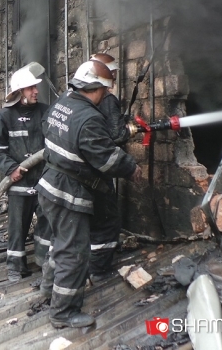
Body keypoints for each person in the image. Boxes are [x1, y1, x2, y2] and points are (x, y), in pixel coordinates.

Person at [37, 60, 144, 328]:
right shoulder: (89, 118)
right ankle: (62, 313)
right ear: (95, 88)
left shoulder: (62, 103)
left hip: (49, 185)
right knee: (74, 253)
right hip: (67, 193)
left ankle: (48, 290)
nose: (106, 96)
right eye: (105, 91)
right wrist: (131, 167)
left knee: (60, 244)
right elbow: (107, 160)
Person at [0, 64, 52, 282]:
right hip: (19, 181)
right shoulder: (4, 116)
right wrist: (11, 169)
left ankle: (44, 263)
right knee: (17, 226)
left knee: (47, 223)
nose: (35, 91)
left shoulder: (45, 111)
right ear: (18, 92)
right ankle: (16, 267)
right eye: (30, 88)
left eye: (35, 87)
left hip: (44, 180)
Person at [87, 52, 137, 281]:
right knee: (106, 219)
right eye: (112, 73)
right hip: (99, 170)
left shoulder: (77, 99)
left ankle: (89, 262)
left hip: (82, 172)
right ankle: (99, 270)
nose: (114, 77)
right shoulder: (107, 99)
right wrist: (130, 130)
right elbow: (116, 135)